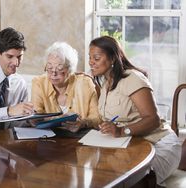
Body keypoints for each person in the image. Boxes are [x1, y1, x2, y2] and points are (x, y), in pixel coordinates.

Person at [88, 36, 181, 186]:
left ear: (112, 59)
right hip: (132, 145)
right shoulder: (105, 82)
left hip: (159, 143)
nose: (91, 62)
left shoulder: (133, 78)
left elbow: (153, 119)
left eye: (96, 58)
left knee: (135, 180)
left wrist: (121, 131)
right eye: (90, 57)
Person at [31, 41, 101, 132]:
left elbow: (97, 118)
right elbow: (37, 115)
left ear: (70, 69)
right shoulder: (39, 83)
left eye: (59, 69)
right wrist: (33, 119)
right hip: (48, 137)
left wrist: (83, 123)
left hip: (79, 138)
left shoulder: (85, 83)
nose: (53, 73)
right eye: (49, 68)